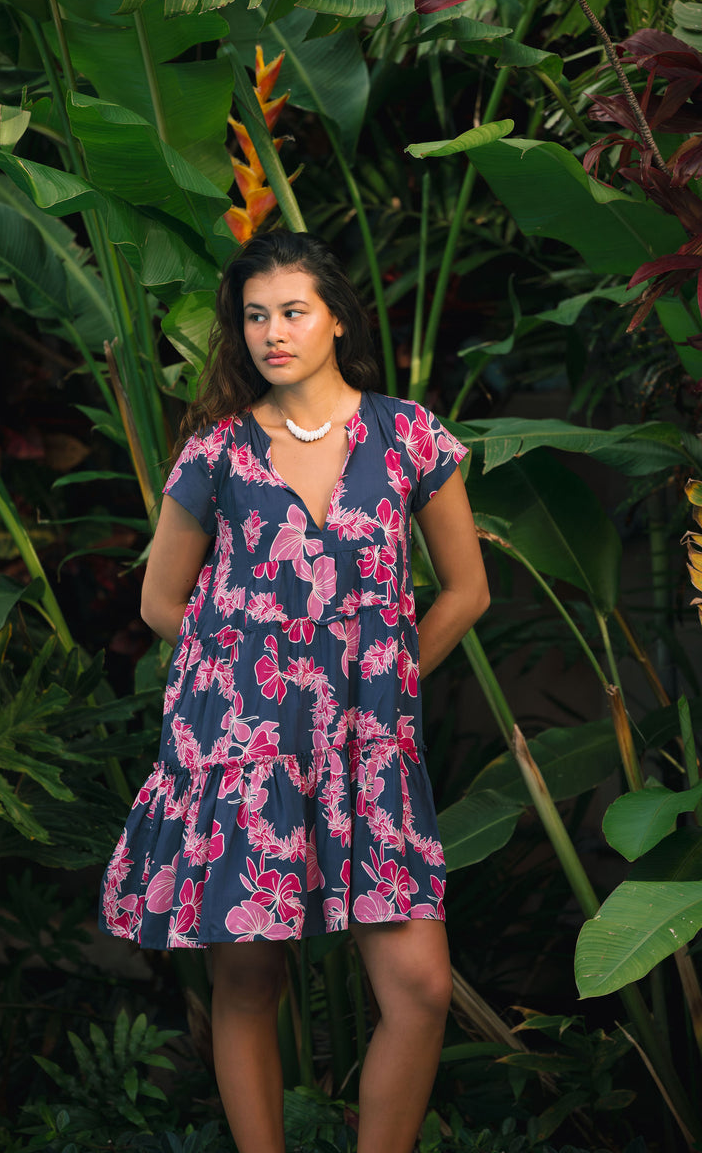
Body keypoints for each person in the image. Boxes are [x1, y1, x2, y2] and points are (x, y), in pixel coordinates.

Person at [99, 230, 489, 1153]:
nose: (273, 331)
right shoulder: (217, 453)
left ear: (337, 319)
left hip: (368, 751)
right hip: (244, 748)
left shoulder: (407, 435)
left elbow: (466, 591)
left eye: (293, 311)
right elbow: (162, 604)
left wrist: (378, 686)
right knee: (248, 984)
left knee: (421, 988)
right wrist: (261, 684)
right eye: (256, 315)